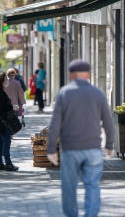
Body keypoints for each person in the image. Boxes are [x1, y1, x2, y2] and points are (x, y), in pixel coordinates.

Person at [47, 59, 115, 217]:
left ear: (70, 75)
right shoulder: (98, 93)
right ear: (89, 74)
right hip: (93, 149)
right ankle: (91, 214)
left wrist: (51, 149)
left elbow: (55, 124)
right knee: (92, 185)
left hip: (70, 149)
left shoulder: (64, 93)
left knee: (69, 186)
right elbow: (108, 122)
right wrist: (110, 145)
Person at [0, 73, 18, 171]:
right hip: (3, 122)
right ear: (1, 82)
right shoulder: (0, 93)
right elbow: (3, 107)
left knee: (0, 143)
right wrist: (12, 107)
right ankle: (8, 163)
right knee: (6, 142)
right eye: (5, 80)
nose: (7, 82)